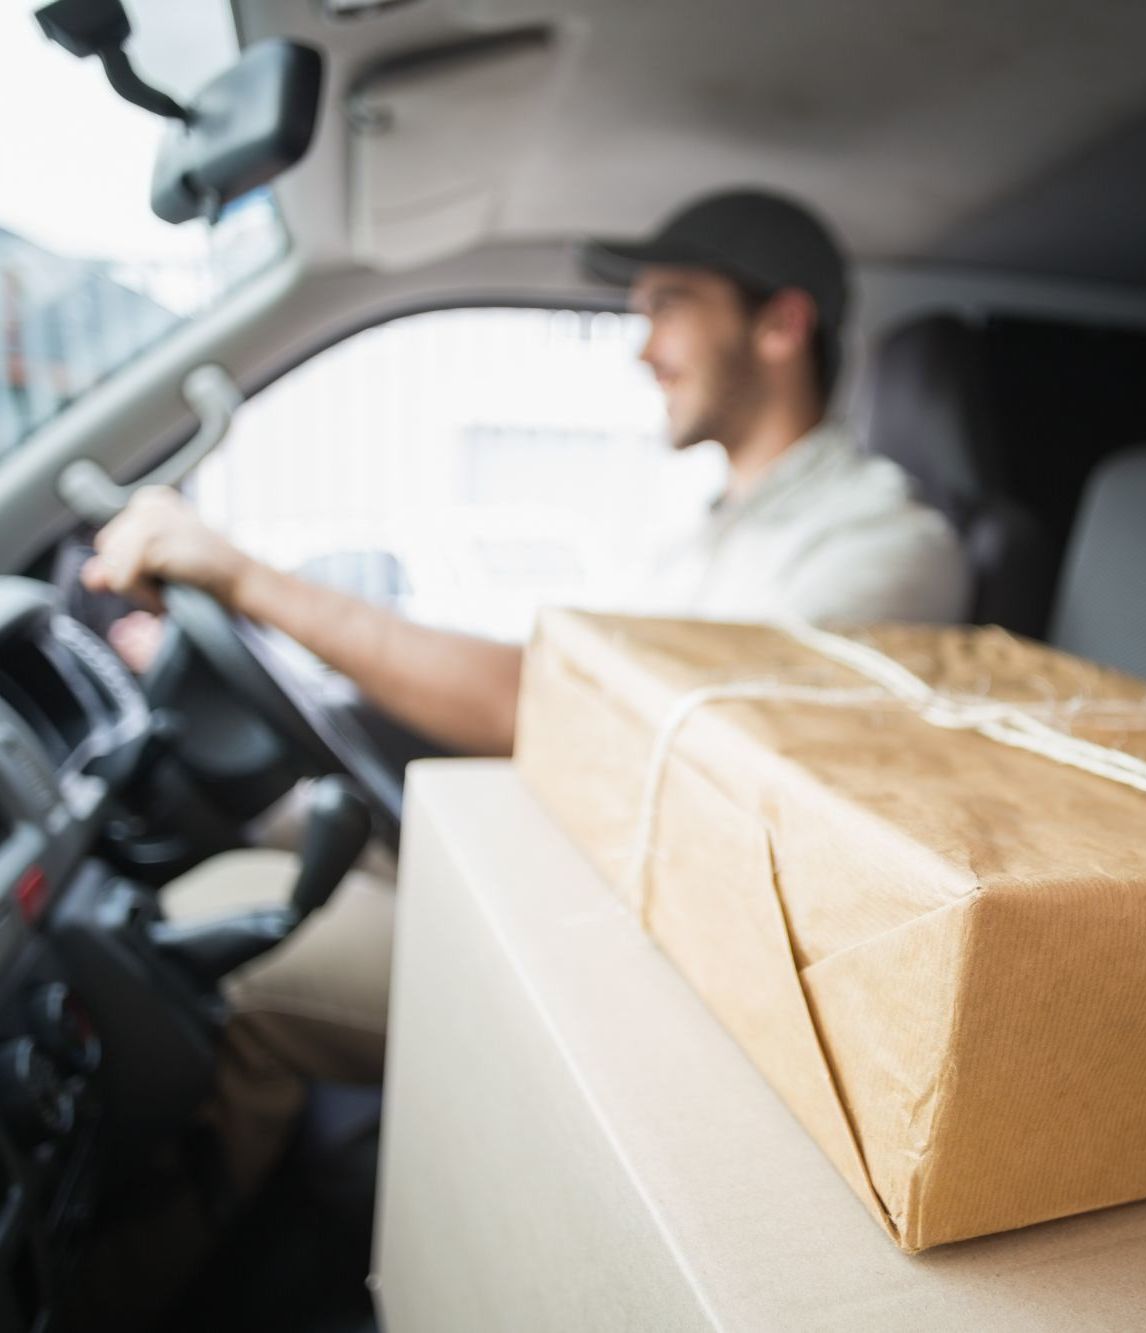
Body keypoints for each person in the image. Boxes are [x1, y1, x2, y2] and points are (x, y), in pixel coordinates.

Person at [81, 189, 970, 1200]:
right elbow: (560, 679)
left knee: (224, 953)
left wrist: (248, 580)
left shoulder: (880, 548)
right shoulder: (706, 531)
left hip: (646, 971)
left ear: (780, 324)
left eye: (669, 306)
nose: (644, 349)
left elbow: (558, 707)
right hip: (559, 875)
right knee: (248, 856)